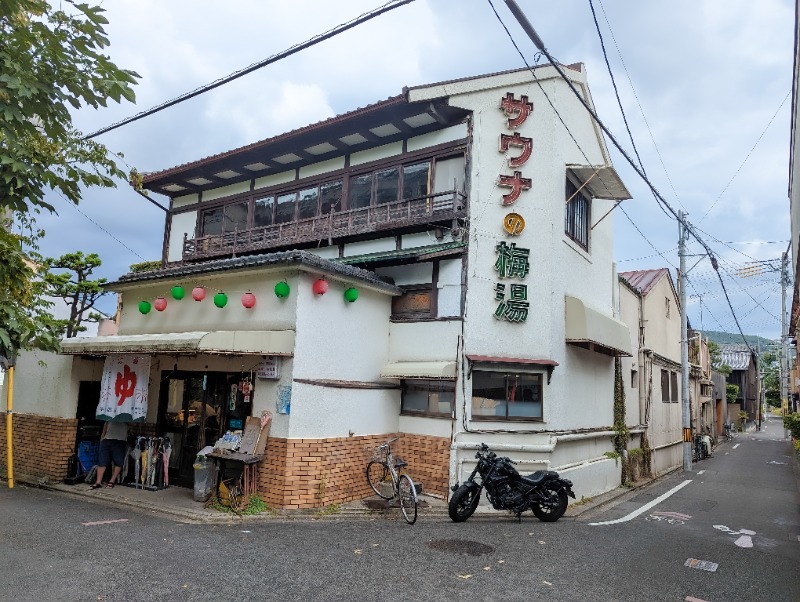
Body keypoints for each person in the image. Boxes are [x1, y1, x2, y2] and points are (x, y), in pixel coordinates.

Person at [89, 421, 129, 489]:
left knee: (118, 461)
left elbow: (129, 428)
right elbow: (106, 424)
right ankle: (98, 482)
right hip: (107, 439)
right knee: (102, 460)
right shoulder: (110, 415)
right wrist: (102, 437)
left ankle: (112, 481)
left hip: (120, 440)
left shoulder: (127, 416)